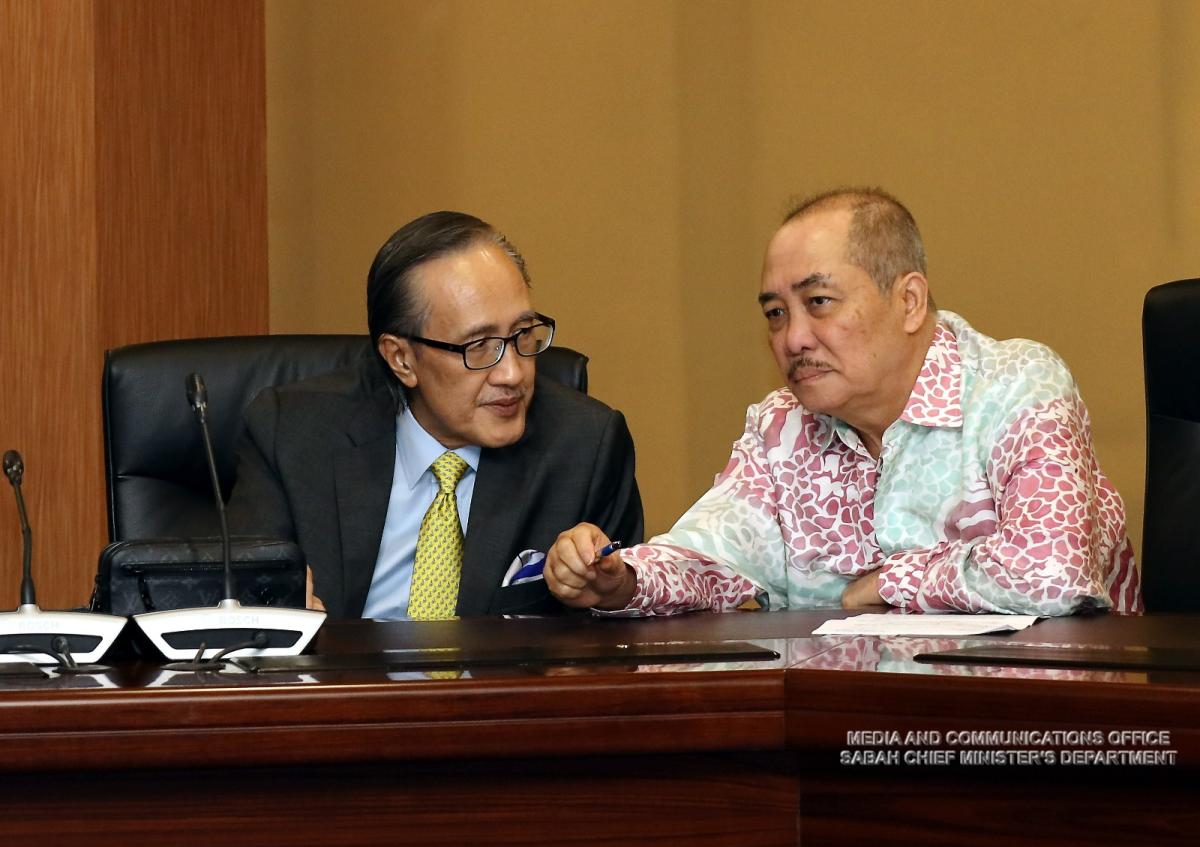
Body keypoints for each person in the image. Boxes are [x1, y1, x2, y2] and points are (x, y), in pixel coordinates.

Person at [544, 188, 1140, 616]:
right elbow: (709, 560)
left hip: (1040, 724)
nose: (793, 339)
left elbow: (1051, 572)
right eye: (775, 314)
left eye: (819, 303)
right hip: (847, 729)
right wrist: (620, 580)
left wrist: (890, 583)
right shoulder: (781, 426)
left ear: (909, 302)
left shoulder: (1017, 386)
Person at [227, 211, 643, 619]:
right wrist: (268, 611)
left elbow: (621, 632)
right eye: (478, 346)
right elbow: (238, 609)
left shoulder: (586, 446)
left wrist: (610, 593)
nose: (513, 374)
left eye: (522, 334)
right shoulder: (291, 433)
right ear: (401, 358)